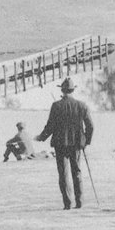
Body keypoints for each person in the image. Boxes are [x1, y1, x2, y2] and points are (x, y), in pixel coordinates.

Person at [35, 77, 94, 210]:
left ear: (62, 90)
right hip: (77, 144)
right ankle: (79, 203)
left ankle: (67, 203)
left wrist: (41, 137)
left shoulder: (56, 105)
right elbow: (91, 126)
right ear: (73, 90)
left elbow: (50, 126)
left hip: (60, 144)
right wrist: (86, 141)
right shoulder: (82, 105)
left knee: (63, 173)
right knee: (77, 172)